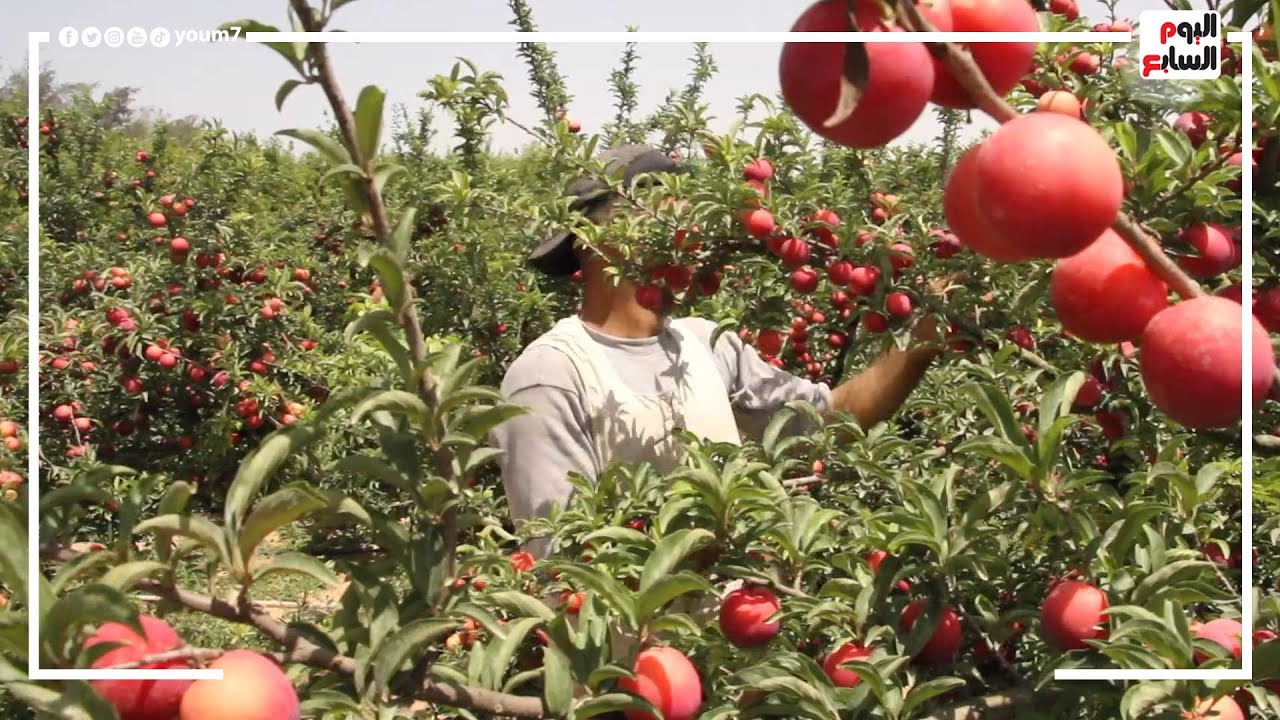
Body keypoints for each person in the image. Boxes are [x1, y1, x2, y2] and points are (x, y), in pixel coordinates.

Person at [490, 144, 944, 557]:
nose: (691, 230)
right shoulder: (550, 374)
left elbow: (830, 419)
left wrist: (924, 341)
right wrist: (714, 539)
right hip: (634, 644)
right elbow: (561, 560)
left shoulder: (708, 343)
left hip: (735, 638)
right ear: (597, 237)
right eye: (663, 211)